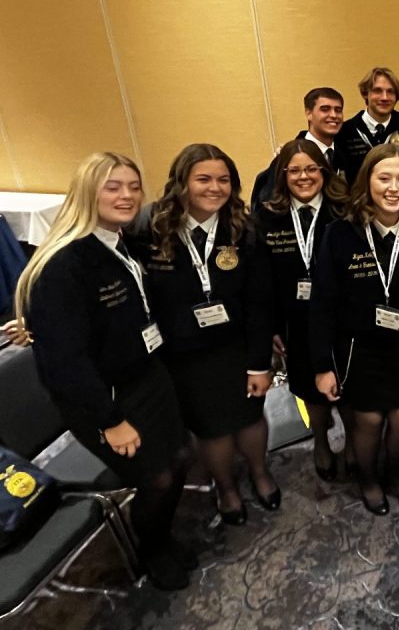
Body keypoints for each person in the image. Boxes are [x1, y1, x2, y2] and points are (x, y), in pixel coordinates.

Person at [14, 152, 194, 589]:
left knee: (181, 458)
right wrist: (109, 421)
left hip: (148, 376)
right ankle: (151, 550)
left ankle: (162, 536)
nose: (127, 195)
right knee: (157, 478)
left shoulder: (119, 242)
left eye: (133, 186)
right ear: (86, 192)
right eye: (113, 186)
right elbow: (64, 364)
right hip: (107, 397)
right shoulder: (64, 266)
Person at [145, 144, 278, 526]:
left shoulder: (242, 228)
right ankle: (226, 487)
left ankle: (259, 472)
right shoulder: (152, 229)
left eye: (224, 180)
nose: (215, 188)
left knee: (251, 415)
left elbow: (259, 301)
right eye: (203, 179)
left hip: (236, 346)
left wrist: (259, 363)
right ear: (182, 182)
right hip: (184, 354)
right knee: (209, 426)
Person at [310, 145, 399, 516]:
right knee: (368, 420)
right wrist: (322, 365)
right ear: (367, 182)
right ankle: (368, 479)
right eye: (384, 178)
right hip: (356, 348)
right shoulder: (340, 234)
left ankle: (395, 474)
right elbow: (322, 303)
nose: (393, 187)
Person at [253, 139, 348, 481]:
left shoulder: (343, 209)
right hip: (294, 319)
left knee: (348, 379)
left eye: (311, 169)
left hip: (342, 317)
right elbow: (261, 280)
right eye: (295, 170)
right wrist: (272, 327)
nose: (304, 177)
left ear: (324, 171)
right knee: (310, 386)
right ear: (282, 174)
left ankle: (350, 440)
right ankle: (321, 439)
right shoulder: (267, 215)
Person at [251, 87, 346, 206]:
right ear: (308, 113)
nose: (333, 115)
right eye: (325, 109)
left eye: (338, 110)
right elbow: (269, 201)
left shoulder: (345, 156)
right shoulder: (288, 157)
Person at [336, 67, 399, 184]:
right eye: (377, 91)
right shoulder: (344, 132)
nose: (384, 97)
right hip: (358, 200)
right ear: (365, 94)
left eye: (390, 92)